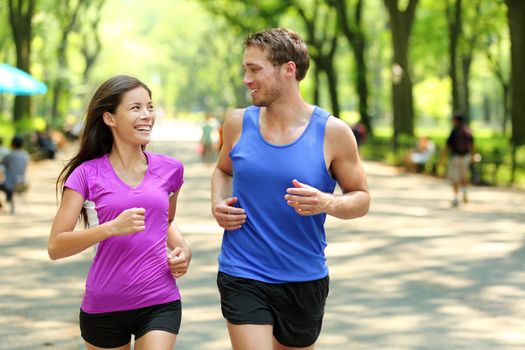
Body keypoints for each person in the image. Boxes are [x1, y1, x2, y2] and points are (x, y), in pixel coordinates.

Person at [211, 28, 370, 350]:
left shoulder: (333, 132)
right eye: (245, 69)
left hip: (304, 277)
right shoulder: (237, 123)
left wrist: (328, 202)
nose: (246, 79)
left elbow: (362, 198)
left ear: (288, 70)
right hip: (243, 271)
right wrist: (218, 202)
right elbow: (222, 169)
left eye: (255, 69)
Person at [47, 75, 191, 350]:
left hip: (160, 299)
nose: (147, 115)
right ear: (110, 118)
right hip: (104, 306)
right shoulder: (85, 175)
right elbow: (55, 246)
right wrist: (110, 228)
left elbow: (166, 221)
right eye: (136, 108)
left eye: (150, 107)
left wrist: (183, 249)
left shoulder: (171, 169)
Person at [440, 113, 475, 207]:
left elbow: (447, 146)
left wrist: (442, 158)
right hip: (466, 157)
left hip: (455, 158)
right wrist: (473, 156)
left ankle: (456, 197)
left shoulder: (454, 131)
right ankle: (465, 193)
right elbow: (472, 145)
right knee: (464, 176)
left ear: (456, 120)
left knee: (455, 177)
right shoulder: (468, 131)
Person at [0, 136, 29, 214]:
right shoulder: (25, 155)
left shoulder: (9, 155)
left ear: (12, 144)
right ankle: (9, 204)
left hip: (10, 184)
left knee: (6, 184)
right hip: (23, 182)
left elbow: (2, 164)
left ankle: (4, 205)